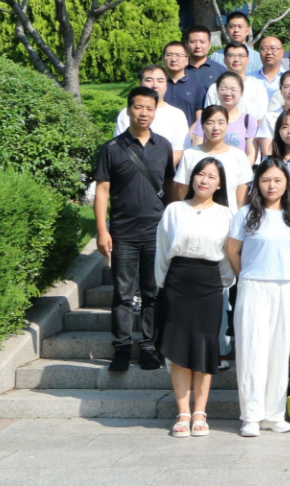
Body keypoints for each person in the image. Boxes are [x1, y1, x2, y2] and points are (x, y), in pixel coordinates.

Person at [95, 87, 176, 373]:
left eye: (149, 108)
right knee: (123, 293)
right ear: (129, 109)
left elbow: (169, 187)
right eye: (138, 107)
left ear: (155, 111)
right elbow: (102, 191)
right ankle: (121, 347)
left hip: (155, 233)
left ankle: (149, 347)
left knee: (153, 293)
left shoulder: (163, 146)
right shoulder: (112, 148)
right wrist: (102, 230)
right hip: (123, 233)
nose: (144, 113)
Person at [155, 156, 234, 438]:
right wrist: (163, 285)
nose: (204, 180)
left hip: (210, 285)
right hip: (177, 283)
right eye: (200, 174)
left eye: (212, 176)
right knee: (178, 351)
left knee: (204, 348)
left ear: (219, 184)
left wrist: (220, 284)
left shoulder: (226, 215)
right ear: (192, 177)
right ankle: (183, 413)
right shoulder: (174, 210)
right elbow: (162, 249)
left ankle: (200, 413)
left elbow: (228, 257)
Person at [227, 158, 290, 437]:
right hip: (253, 286)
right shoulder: (245, 214)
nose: (272, 185)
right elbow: (232, 251)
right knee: (251, 350)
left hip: (285, 287)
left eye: (278, 180)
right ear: (257, 183)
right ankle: (251, 416)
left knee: (280, 352)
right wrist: (246, 275)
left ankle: (274, 414)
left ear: (286, 184)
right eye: (266, 180)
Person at [174, 105, 254, 205]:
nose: (216, 128)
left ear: (227, 126)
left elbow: (242, 199)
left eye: (221, 122)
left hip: (229, 214)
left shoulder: (239, 156)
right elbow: (181, 193)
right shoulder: (189, 154)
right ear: (202, 126)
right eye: (210, 123)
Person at [115, 65, 189, 164]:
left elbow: (178, 150)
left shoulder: (177, 115)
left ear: (166, 85)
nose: (155, 85)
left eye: (160, 81)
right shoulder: (127, 113)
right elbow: (120, 147)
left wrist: (160, 170)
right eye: (149, 80)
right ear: (140, 83)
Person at [195, 72, 258, 164]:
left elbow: (251, 154)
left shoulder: (249, 120)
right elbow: (196, 150)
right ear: (217, 91)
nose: (228, 93)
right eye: (223, 89)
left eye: (233, 89)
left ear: (241, 93)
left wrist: (240, 171)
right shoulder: (205, 118)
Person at [205, 42, 269, 124]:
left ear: (247, 60)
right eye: (231, 55)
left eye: (241, 56)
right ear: (224, 60)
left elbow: (261, 120)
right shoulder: (214, 88)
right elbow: (208, 118)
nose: (236, 60)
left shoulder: (258, 89)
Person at [162, 40, 206, 126]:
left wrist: (188, 134)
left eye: (178, 55)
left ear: (186, 60)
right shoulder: (157, 85)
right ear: (163, 59)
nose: (174, 59)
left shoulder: (197, 86)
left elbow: (199, 119)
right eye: (169, 55)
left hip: (188, 133)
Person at [184, 25, 227, 92]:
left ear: (209, 44)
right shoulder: (179, 69)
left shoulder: (220, 71)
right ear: (186, 44)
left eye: (202, 42)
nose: (198, 46)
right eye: (193, 42)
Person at [250, 37, 285, 103]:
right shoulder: (248, 79)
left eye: (273, 48)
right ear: (259, 52)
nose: (268, 52)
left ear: (282, 52)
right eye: (264, 49)